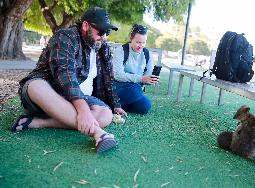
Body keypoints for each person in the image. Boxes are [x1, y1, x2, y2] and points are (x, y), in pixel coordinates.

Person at [11, 7, 126, 153]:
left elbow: (108, 79)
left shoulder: (102, 48)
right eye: (101, 31)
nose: (103, 37)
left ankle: (39, 122)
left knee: (106, 115)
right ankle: (98, 133)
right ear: (86, 26)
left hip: (74, 99)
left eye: (107, 32)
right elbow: (64, 73)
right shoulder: (66, 36)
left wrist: (115, 104)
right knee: (36, 86)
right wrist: (83, 110)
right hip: (47, 92)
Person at [112, 24, 159, 114]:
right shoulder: (121, 50)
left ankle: (118, 105)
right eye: (138, 42)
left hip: (134, 89)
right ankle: (110, 103)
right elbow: (117, 75)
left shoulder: (147, 54)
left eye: (143, 42)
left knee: (145, 106)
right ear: (131, 39)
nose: (141, 46)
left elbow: (147, 76)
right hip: (119, 86)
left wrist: (151, 80)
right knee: (136, 89)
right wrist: (140, 78)